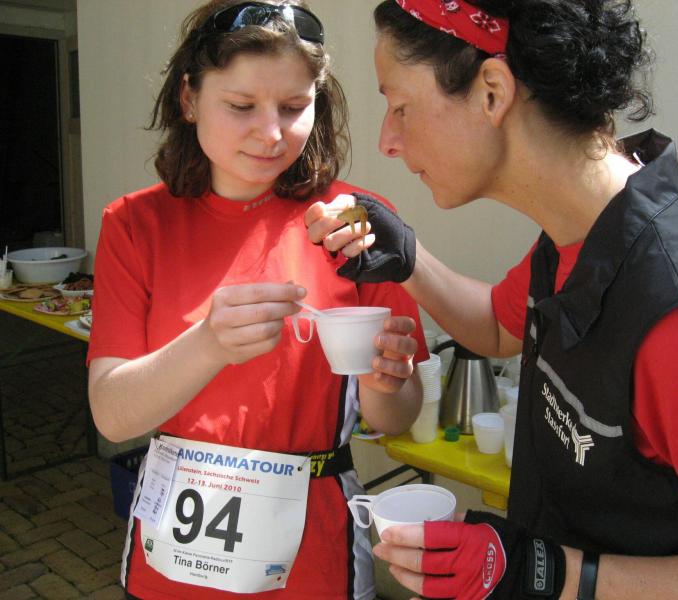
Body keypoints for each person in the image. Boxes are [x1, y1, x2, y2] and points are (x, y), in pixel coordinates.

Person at [304, 0, 678, 598]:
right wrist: (407, 256)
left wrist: (549, 573)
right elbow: (496, 326)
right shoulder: (587, 234)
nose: (388, 140)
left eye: (400, 106)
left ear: (492, 92)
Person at [86, 2, 428, 598]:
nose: (271, 133)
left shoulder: (355, 223)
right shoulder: (135, 224)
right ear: (189, 99)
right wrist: (207, 344)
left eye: (294, 107)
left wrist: (386, 380)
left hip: (314, 547)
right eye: (241, 106)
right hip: (172, 550)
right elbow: (114, 416)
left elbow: (396, 416)